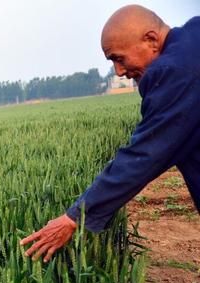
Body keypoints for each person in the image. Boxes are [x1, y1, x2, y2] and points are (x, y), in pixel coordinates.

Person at [20, 5, 200, 262]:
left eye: (119, 58)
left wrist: (74, 217)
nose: (119, 71)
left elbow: (144, 156)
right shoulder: (194, 34)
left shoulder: (174, 73)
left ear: (151, 40)